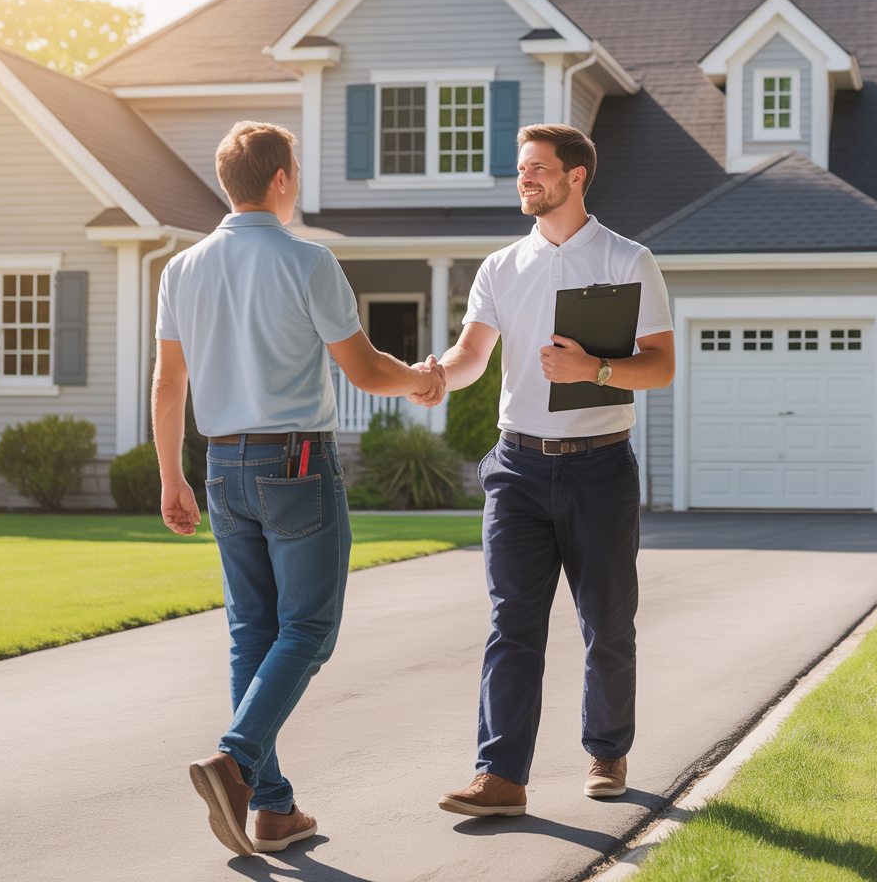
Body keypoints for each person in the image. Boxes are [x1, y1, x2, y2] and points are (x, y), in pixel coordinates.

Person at [152, 121, 445, 857]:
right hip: (296, 463)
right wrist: (420, 381)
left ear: (229, 182)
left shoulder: (181, 270)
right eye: (298, 172)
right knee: (309, 629)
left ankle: (273, 809)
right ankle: (235, 759)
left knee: (253, 631)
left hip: (221, 465)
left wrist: (170, 476)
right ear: (280, 178)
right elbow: (366, 369)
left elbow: (167, 384)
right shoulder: (307, 261)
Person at [436, 124, 675, 817]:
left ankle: (606, 750)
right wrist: (432, 378)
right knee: (512, 621)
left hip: (599, 468)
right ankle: (500, 775)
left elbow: (660, 364)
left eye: (537, 169)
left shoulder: (629, 260)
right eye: (520, 170)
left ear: (576, 177)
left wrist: (595, 369)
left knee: (607, 622)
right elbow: (470, 356)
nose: (524, 180)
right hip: (516, 467)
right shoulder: (500, 266)